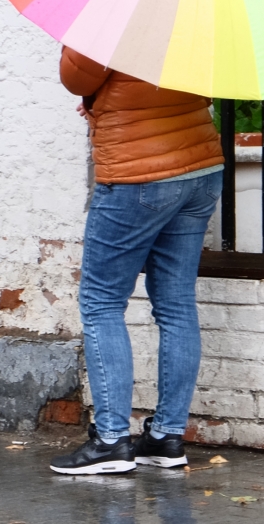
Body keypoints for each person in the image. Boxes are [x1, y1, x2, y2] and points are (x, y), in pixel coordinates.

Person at [49, 46, 224, 475]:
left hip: (137, 174)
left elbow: (77, 77)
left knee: (102, 302)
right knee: (177, 302)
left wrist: (96, 96)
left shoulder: (114, 7)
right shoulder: (197, 7)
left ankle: (110, 440)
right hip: (199, 166)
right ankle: (166, 438)